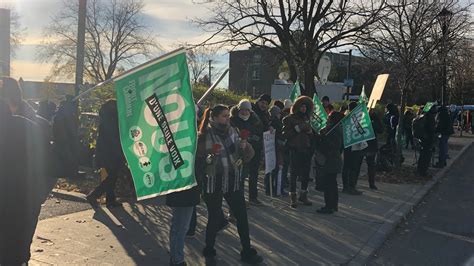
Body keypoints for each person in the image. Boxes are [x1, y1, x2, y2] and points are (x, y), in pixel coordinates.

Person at [198, 105, 263, 265]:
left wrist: (245, 146)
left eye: (228, 115)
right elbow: (199, 160)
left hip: (233, 180)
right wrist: (210, 157)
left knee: (241, 216)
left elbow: (246, 156)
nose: (227, 118)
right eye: (224, 116)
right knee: (214, 217)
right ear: (213, 117)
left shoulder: (233, 131)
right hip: (213, 182)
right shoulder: (205, 135)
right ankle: (209, 251)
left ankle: (247, 251)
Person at [0, 97, 53, 265]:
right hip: (25, 202)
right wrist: (40, 194)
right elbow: (49, 164)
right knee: (17, 250)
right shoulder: (31, 127)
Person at [86, 100, 125, 208]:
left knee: (112, 176)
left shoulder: (106, 119)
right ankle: (94, 195)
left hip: (105, 152)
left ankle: (110, 200)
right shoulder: (112, 121)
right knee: (112, 177)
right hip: (111, 153)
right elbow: (114, 139)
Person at [166, 162, 201, 265]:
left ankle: (175, 258)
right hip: (185, 189)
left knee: (178, 226)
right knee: (180, 227)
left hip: (181, 188)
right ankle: (177, 260)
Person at [230, 99, 264, 206]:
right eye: (242, 110)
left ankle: (253, 197)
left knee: (254, 174)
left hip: (254, 151)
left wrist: (252, 138)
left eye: (247, 110)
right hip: (239, 152)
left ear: (250, 111)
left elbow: (260, 134)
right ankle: (240, 200)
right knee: (240, 176)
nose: (244, 112)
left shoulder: (256, 120)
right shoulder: (233, 120)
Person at [282, 96, 314, 208]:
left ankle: (303, 195)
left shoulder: (307, 118)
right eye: (302, 106)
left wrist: (310, 132)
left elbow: (311, 135)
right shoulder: (289, 119)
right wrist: (298, 129)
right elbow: (285, 135)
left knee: (305, 174)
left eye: (305, 106)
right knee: (294, 174)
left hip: (306, 149)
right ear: (297, 107)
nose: (304, 108)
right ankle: (293, 197)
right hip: (294, 149)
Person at [315, 111, 344, 214]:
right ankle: (333, 205)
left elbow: (334, 146)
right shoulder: (334, 129)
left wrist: (323, 136)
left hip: (332, 160)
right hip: (332, 160)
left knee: (329, 184)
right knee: (332, 184)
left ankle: (329, 206)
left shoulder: (335, 130)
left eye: (329, 117)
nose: (327, 118)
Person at [53, 96, 81, 178]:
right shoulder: (66, 114)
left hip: (66, 140)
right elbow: (69, 128)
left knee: (70, 157)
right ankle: (70, 173)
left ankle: (71, 173)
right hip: (66, 141)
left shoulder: (64, 113)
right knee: (68, 158)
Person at [341, 102, 364, 195]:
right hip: (352, 146)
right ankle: (350, 186)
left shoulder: (345, 117)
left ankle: (347, 186)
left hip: (348, 145)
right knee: (352, 167)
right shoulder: (353, 118)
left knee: (347, 167)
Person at [264, 105, 285, 196]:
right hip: (275, 147)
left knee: (271, 168)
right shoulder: (275, 122)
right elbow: (279, 134)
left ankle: (270, 189)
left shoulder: (270, 122)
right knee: (274, 168)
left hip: (273, 147)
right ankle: (273, 189)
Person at [417, 105, 437, 176]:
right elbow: (431, 129)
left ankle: (420, 170)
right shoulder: (430, 118)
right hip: (428, 139)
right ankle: (423, 171)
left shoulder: (422, 116)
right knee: (426, 155)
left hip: (422, 138)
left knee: (422, 154)